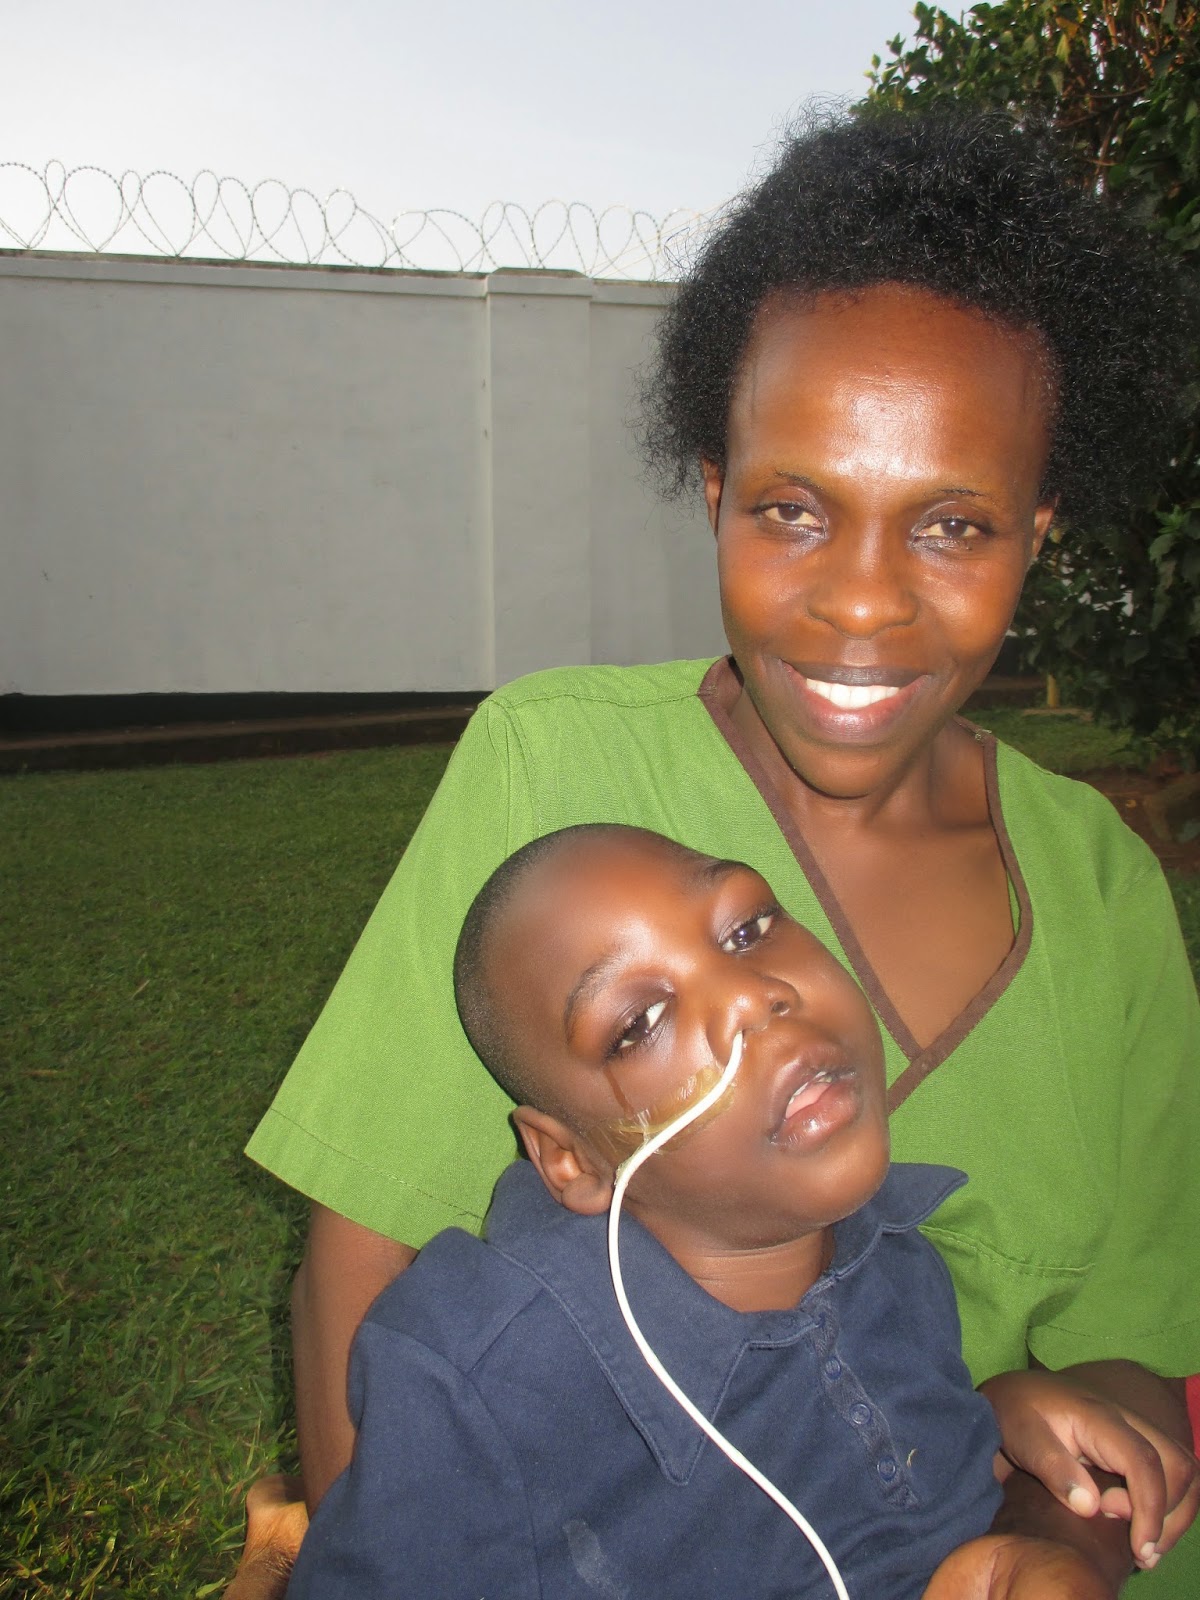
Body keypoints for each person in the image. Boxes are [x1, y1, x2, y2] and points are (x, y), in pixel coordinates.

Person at [243, 106, 1200, 1598]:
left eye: (954, 525)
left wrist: (1047, 1539)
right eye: (793, 510)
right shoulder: (553, 769)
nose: (862, 604)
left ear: (1039, 530)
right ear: (713, 491)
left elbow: (1135, 1366)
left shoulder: (1103, 893)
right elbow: (360, 1281)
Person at [287, 824, 1186, 1598]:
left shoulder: (891, 1252)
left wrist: (995, 1432)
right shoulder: (481, 1380)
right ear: (569, 1159)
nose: (756, 995)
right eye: (638, 1023)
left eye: (748, 929)